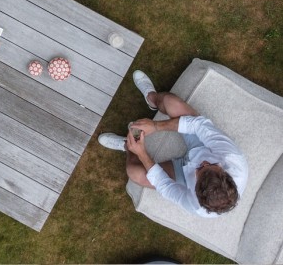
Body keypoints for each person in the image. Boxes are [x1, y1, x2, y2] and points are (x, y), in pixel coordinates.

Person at [98, 70, 248, 217]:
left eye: (200, 169)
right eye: (210, 164)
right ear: (225, 172)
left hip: (183, 172)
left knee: (134, 173)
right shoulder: (232, 157)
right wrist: (155, 126)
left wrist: (141, 153)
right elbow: (198, 125)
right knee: (170, 102)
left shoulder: (196, 206)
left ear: (195, 191)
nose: (202, 163)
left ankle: (128, 145)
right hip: (202, 144)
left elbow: (165, 186)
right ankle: (152, 98)